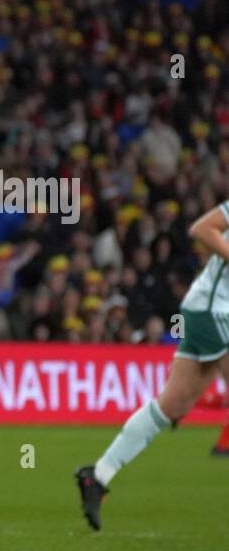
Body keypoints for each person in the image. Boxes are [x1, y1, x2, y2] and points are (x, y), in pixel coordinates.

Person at [76, 201, 229, 528]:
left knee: (173, 405)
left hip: (208, 310)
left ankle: (98, 475)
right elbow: (202, 228)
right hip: (214, 310)